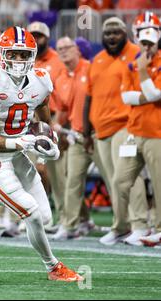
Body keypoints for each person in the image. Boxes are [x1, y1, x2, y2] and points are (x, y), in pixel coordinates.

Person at [0, 26, 82, 281]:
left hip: (19, 152)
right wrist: (20, 143)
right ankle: (53, 267)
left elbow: (44, 124)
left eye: (23, 54)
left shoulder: (41, 80)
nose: (18, 60)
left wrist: (47, 147)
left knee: (45, 218)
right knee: (30, 211)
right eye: (13, 54)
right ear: (1, 54)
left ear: (32, 55)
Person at [83, 17, 149, 246]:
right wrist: (86, 132)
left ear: (126, 34)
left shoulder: (136, 54)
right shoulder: (97, 60)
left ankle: (140, 224)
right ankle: (122, 226)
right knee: (114, 182)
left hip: (125, 125)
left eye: (116, 32)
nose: (111, 37)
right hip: (100, 130)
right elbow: (89, 98)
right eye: (108, 33)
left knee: (129, 178)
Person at [51, 36, 107, 240]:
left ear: (77, 50)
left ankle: (126, 225)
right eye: (60, 48)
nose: (64, 51)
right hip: (76, 136)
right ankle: (69, 225)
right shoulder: (61, 78)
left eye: (67, 47)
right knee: (72, 180)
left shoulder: (90, 68)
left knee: (113, 180)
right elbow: (63, 109)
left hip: (97, 135)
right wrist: (56, 127)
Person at [117, 26, 161, 247]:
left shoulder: (146, 65)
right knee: (122, 180)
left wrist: (143, 72)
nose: (146, 47)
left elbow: (156, 94)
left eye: (150, 43)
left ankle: (160, 229)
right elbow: (126, 97)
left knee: (159, 182)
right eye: (143, 43)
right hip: (134, 132)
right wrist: (149, 96)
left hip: (157, 133)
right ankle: (140, 224)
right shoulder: (130, 65)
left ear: (156, 43)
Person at [27, 21, 67, 228]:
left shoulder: (57, 62)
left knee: (54, 173)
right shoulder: (24, 59)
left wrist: (55, 126)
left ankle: (62, 218)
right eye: (32, 36)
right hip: (28, 122)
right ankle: (38, 217)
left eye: (39, 36)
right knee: (32, 171)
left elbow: (62, 98)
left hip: (49, 120)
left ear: (47, 38)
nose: (36, 40)